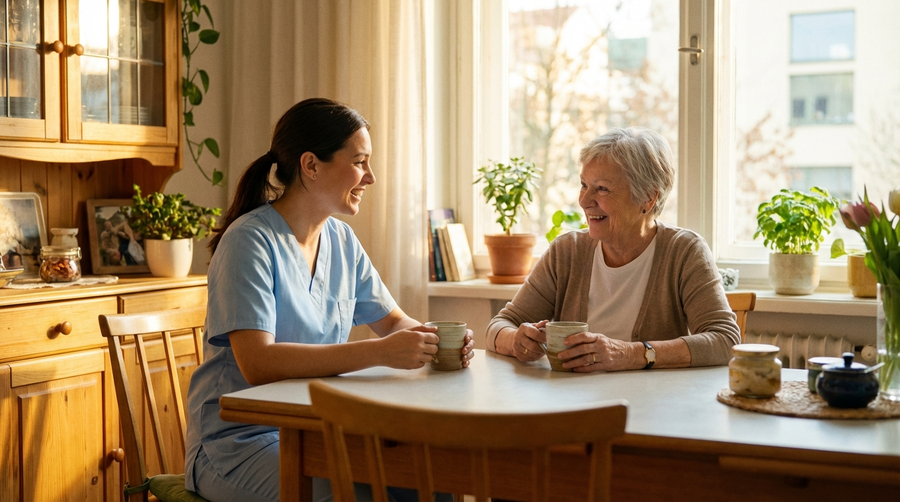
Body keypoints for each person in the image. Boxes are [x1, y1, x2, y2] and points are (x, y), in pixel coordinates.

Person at [184, 98, 475, 502]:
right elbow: (257, 363)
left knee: (432, 481)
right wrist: (379, 352)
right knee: (352, 494)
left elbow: (393, 323)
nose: (370, 177)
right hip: (238, 444)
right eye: (359, 162)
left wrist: (435, 339)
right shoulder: (248, 241)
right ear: (311, 165)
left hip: (312, 431)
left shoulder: (340, 240)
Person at [485, 127, 740, 372]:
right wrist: (516, 340)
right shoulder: (566, 251)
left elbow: (725, 341)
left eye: (602, 188)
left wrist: (629, 354)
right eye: (584, 185)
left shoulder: (684, 252)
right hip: (573, 405)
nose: (584, 201)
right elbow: (499, 325)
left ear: (647, 198)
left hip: (652, 408)